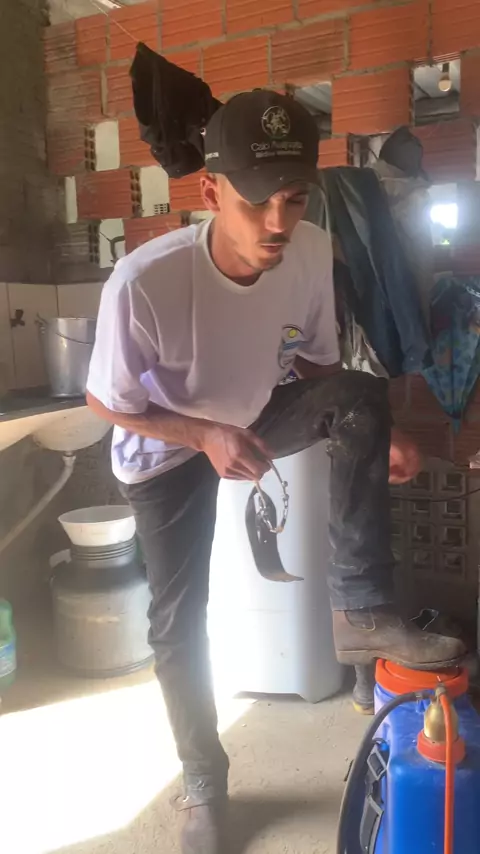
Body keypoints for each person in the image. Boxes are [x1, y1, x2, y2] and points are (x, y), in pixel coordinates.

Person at [86, 90, 465, 854]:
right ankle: (204, 783)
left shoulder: (310, 252)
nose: (276, 223)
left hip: (250, 415)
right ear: (210, 192)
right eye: (256, 202)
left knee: (361, 391)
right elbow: (107, 403)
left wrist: (374, 431)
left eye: (293, 200)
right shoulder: (144, 281)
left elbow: (323, 368)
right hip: (163, 451)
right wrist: (201, 434)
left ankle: (361, 611)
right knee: (176, 622)